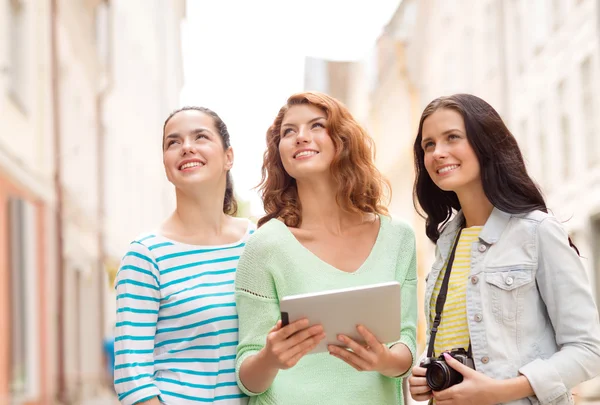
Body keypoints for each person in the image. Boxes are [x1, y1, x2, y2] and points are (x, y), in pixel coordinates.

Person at [408, 94, 600, 405]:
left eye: (452, 137)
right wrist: (423, 373)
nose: (437, 152)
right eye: (428, 145)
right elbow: (463, 337)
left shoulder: (537, 231)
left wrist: (499, 391)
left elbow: (588, 350)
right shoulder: (446, 243)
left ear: (486, 144)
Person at [234, 91, 417, 405]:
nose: (300, 137)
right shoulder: (265, 246)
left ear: (343, 140)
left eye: (317, 125)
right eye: (288, 132)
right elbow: (248, 378)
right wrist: (269, 358)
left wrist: (382, 360)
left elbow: (407, 344)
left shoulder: (398, 238)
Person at [113, 106, 254, 405]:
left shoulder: (257, 244)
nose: (186, 147)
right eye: (173, 142)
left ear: (229, 156)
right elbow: (132, 376)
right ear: (166, 164)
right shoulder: (146, 255)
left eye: (200, 136)